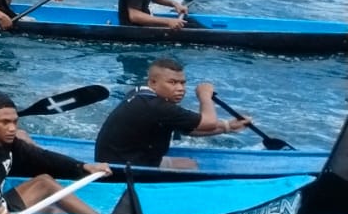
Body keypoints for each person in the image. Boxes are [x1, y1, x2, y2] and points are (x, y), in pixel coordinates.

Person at [0, 93, 112, 214]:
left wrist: (84, 166)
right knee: (45, 183)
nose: (12, 128)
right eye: (5, 122)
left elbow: (43, 156)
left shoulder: (8, 142)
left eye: (15, 121)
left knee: (51, 208)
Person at [94, 58, 250, 170]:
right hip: (121, 169)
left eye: (182, 83)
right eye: (172, 82)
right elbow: (208, 122)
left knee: (189, 163)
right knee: (192, 168)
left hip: (119, 159)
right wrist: (204, 96)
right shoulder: (157, 106)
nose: (180, 88)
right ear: (153, 83)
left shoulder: (140, 94)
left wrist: (228, 126)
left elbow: (188, 129)